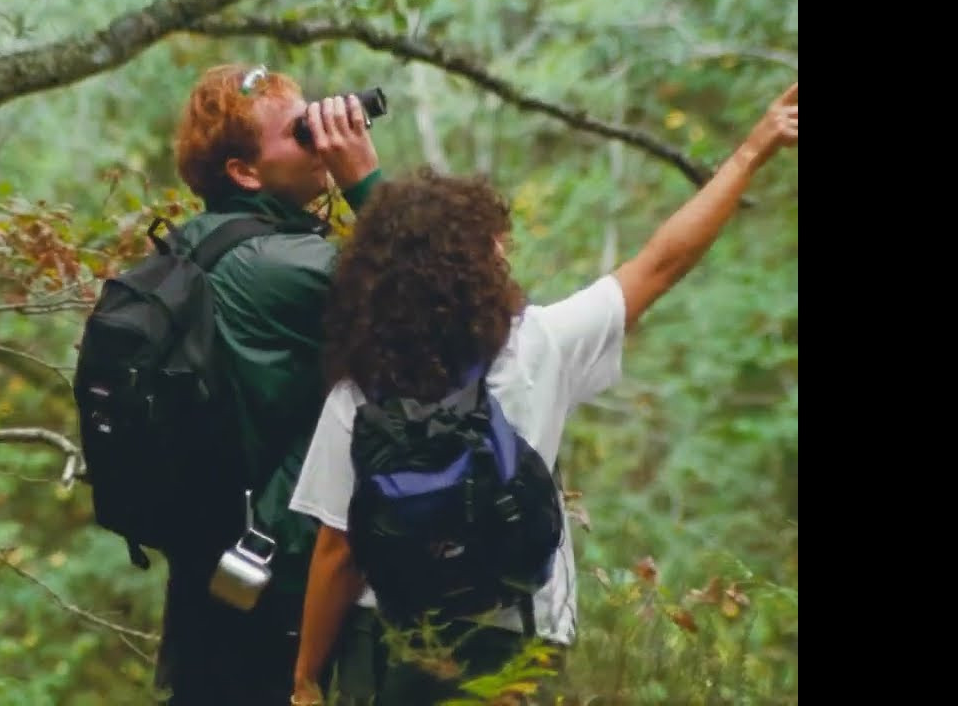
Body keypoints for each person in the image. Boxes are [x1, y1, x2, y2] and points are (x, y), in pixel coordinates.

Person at [288, 83, 799, 705]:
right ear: (478, 270)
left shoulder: (361, 386)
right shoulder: (539, 348)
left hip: (393, 642)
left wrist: (306, 678)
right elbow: (664, 261)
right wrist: (752, 151)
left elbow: (336, 551)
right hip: (520, 641)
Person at [152, 63, 383, 705]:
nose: (323, 137)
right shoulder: (279, 266)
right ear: (245, 173)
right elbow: (439, 294)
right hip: (279, 573)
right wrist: (363, 178)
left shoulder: (196, 245)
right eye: (301, 131)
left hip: (218, 559)